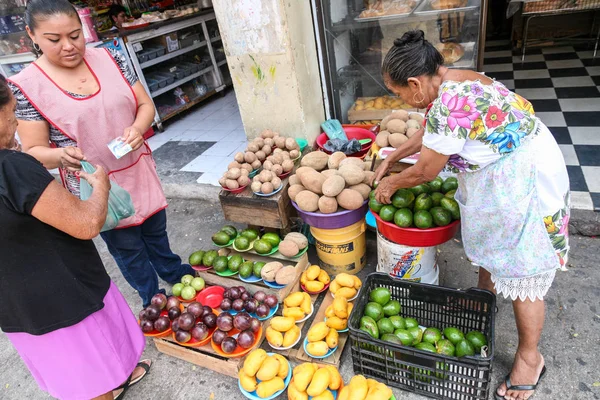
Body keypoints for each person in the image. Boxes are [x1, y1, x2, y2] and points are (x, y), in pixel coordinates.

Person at [374, 30, 569, 400]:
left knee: (522, 264)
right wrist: (394, 154)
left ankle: (530, 358)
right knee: (496, 240)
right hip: (508, 167)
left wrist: (393, 183)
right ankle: (485, 294)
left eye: (399, 94)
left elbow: (427, 171)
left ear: (415, 83)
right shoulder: (450, 78)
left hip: (523, 175)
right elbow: (434, 131)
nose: (400, 100)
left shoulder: (448, 101)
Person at [9, 0, 195, 308]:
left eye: (75, 35)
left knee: (156, 230)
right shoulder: (26, 86)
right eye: (54, 40)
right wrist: (61, 156)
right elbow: (34, 152)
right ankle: (152, 296)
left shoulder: (111, 57)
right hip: (95, 186)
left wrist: (137, 127)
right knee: (128, 248)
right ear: (32, 35)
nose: (69, 46)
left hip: (136, 167)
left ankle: (173, 272)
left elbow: (145, 105)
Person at [0, 74, 149, 400]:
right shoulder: (12, 168)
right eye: (11, 111)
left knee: (80, 372)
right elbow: (85, 224)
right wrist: (101, 189)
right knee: (89, 380)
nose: (15, 119)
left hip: (17, 307)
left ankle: (117, 377)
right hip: (63, 301)